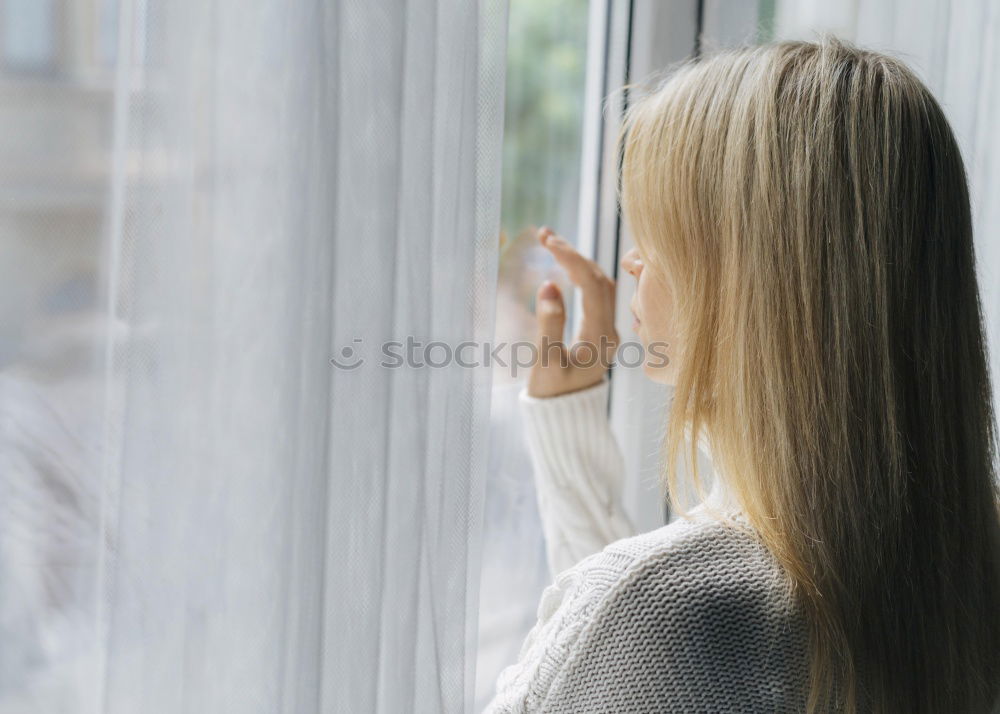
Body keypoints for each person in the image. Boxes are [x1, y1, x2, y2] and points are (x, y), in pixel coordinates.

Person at [483, 36, 1000, 714]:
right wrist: (568, 426)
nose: (633, 261)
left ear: (754, 279)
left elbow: (649, 640)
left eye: (661, 232)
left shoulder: (677, 607)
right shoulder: (962, 562)